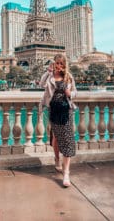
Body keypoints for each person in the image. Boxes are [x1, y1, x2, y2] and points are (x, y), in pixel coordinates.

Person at [39, 54, 77, 187]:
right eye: (57, 63)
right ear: (54, 63)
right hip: (53, 110)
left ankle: (66, 173)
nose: (59, 66)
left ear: (64, 64)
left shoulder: (68, 76)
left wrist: (70, 94)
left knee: (67, 139)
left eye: (61, 63)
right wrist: (48, 71)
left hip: (66, 111)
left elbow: (75, 92)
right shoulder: (49, 75)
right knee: (55, 137)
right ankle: (56, 159)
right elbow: (41, 83)